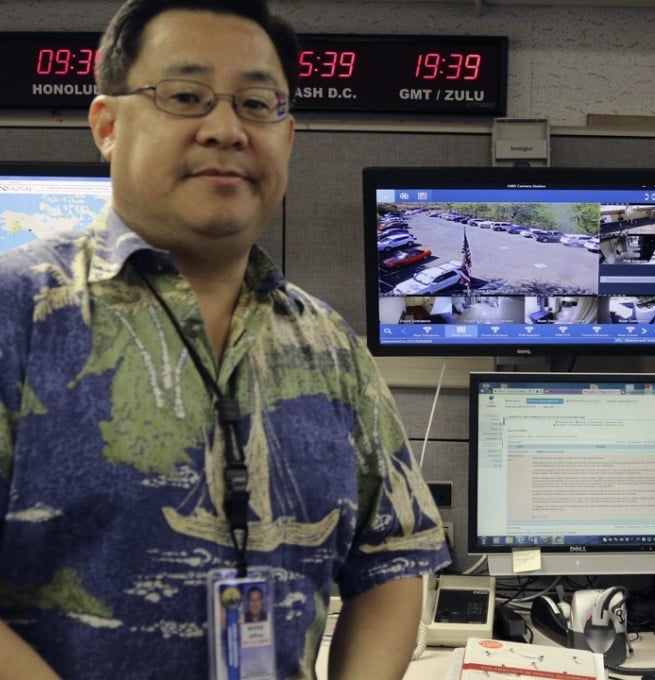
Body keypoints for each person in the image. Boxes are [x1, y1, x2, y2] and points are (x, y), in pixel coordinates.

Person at [0, 1, 450, 678]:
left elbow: (392, 563)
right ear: (108, 125)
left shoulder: (328, 345)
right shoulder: (20, 312)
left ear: (288, 137)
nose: (225, 129)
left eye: (256, 103)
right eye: (185, 96)